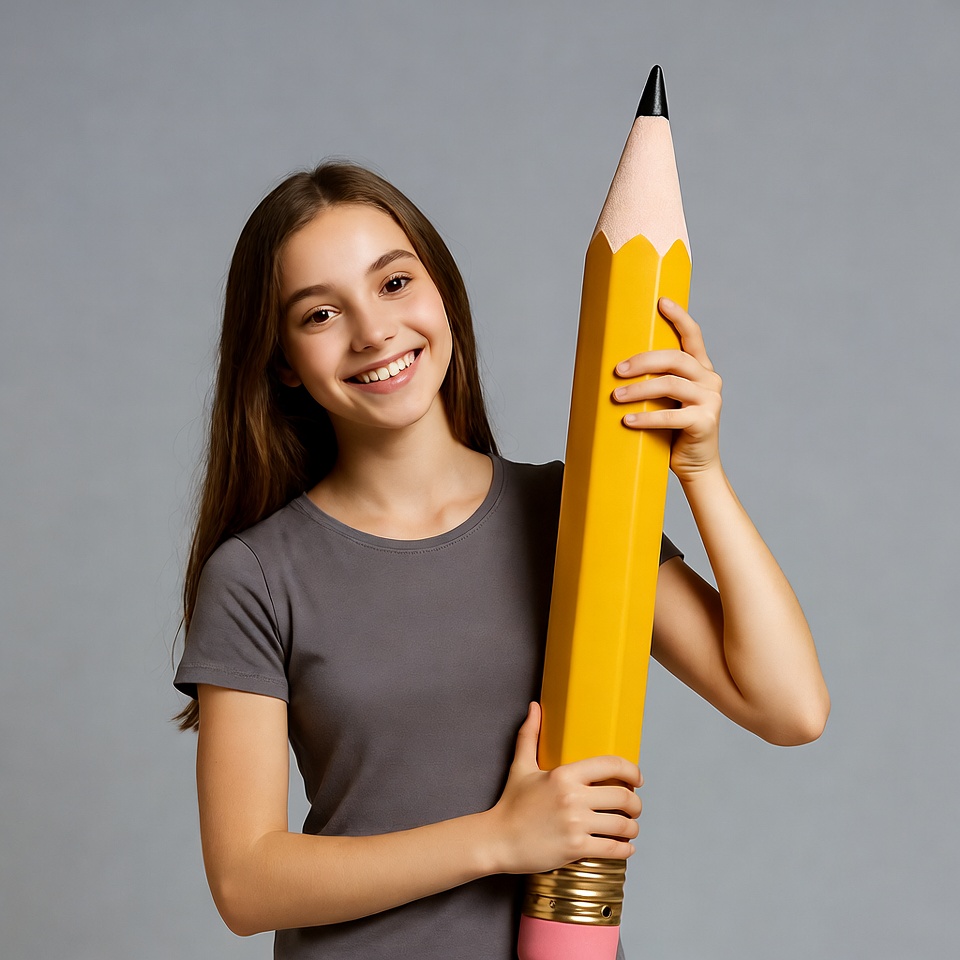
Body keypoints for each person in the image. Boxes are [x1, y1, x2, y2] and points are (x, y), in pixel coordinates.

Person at [173, 162, 829, 959]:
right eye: (320, 314)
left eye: (394, 283)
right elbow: (246, 884)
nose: (373, 332)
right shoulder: (256, 574)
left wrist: (701, 472)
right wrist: (499, 839)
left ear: (441, 292)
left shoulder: (568, 515)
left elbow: (789, 708)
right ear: (282, 360)